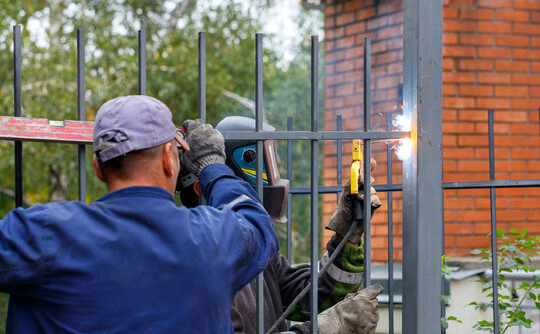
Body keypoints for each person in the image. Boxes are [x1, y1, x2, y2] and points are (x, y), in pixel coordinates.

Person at [0, 96, 279, 333]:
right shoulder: (212, 238)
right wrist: (212, 166)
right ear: (170, 159)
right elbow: (257, 225)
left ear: (98, 168)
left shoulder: (42, 233)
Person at [178, 116, 383, 334]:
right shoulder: (195, 259)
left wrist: (346, 234)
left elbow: (313, 295)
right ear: (202, 189)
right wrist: (323, 330)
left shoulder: (253, 247)